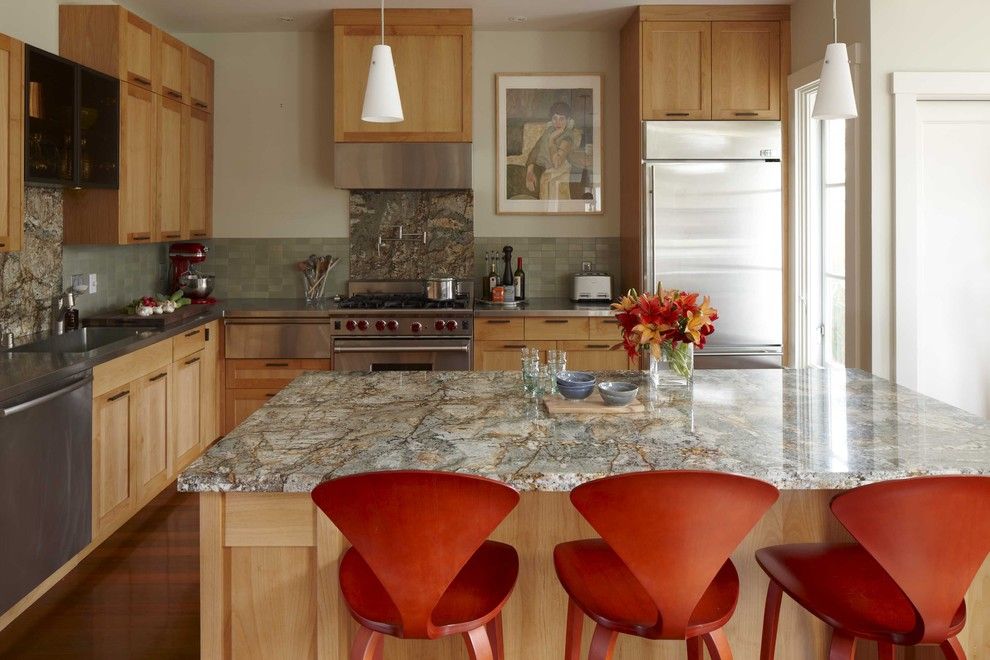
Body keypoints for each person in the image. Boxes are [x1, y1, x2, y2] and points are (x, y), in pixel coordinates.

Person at [524, 101, 585, 200]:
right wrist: (529, 172)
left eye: (562, 119)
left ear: (568, 120)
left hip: (555, 171)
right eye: (554, 118)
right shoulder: (549, 131)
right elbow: (536, 150)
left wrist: (552, 140)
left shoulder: (568, 137)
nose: (557, 123)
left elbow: (556, 163)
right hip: (540, 167)